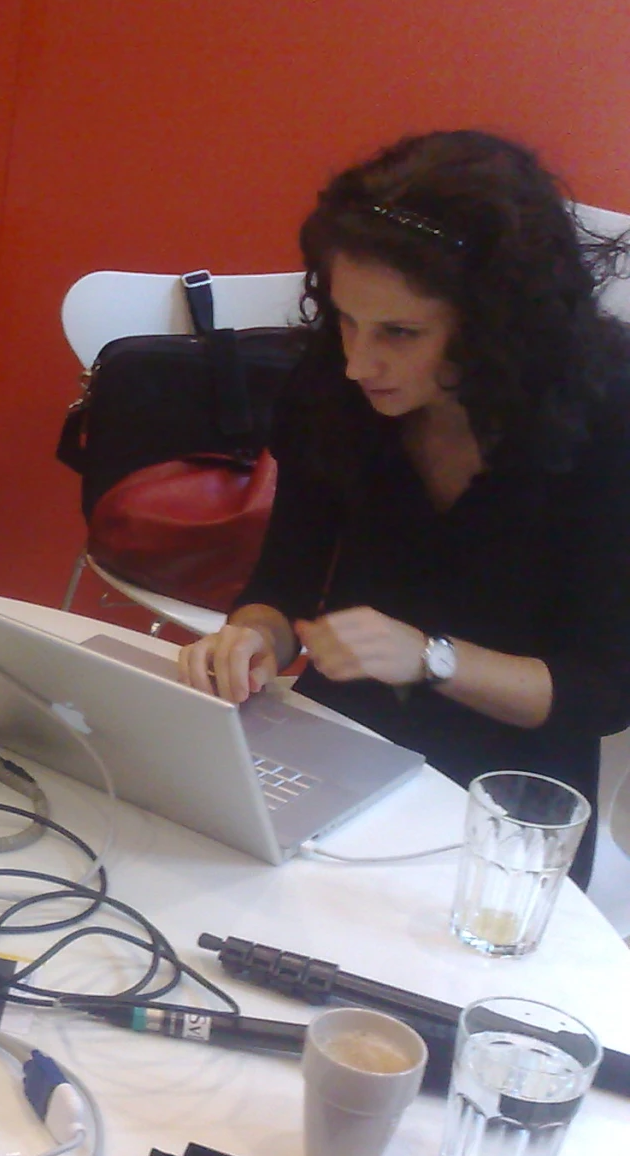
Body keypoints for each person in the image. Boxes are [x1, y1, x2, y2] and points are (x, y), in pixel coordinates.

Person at [178, 131, 630, 884]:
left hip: (508, 800)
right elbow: (282, 584)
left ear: (495, 325)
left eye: (400, 333)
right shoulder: (334, 386)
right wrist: (251, 637)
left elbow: (601, 694)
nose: (359, 362)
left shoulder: (610, 422)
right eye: (347, 320)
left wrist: (429, 657)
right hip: (342, 741)